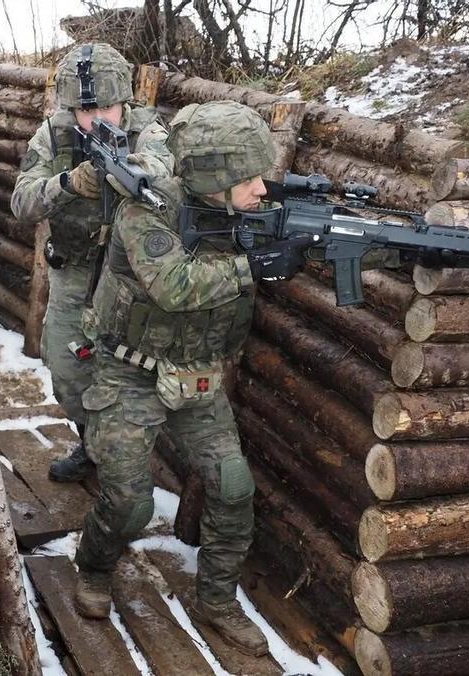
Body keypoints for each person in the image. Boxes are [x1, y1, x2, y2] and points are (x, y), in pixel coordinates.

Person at [70, 101, 323, 658]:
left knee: (234, 490)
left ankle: (215, 599)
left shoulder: (247, 212)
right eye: (247, 178)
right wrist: (252, 266)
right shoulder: (148, 209)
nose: (261, 189)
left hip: (198, 379)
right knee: (130, 505)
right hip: (128, 373)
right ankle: (93, 566)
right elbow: (175, 286)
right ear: (212, 177)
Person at [11, 43, 173, 482]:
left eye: (107, 107)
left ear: (125, 101)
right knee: (65, 371)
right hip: (75, 271)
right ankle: (90, 444)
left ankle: (122, 468)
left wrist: (127, 170)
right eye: (87, 110)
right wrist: (68, 184)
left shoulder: (146, 130)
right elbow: (21, 202)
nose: (97, 119)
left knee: (126, 374)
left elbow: (161, 168)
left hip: (128, 278)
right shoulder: (55, 133)